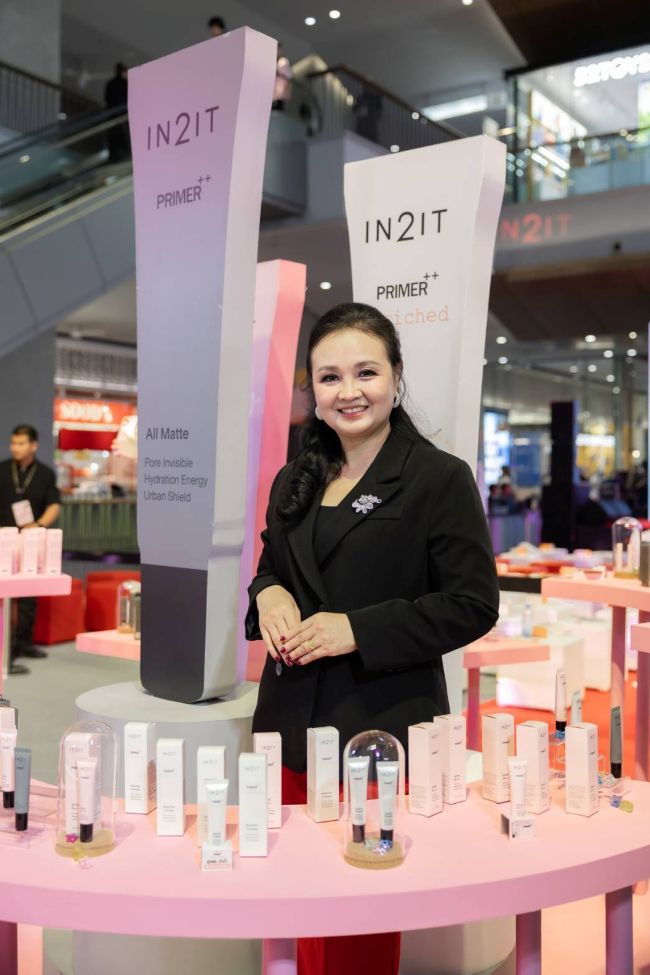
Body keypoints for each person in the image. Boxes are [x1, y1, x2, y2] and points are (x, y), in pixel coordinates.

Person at [245, 303, 499, 975]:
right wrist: (266, 592)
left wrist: (355, 629)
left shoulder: (437, 477)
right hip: (288, 723)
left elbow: (473, 604)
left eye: (366, 372)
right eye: (329, 377)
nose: (348, 391)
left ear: (396, 376)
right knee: (291, 897)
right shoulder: (297, 476)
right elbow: (274, 563)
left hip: (375, 730)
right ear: (312, 388)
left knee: (356, 917)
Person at [0, 425, 61, 673]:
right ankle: (6, 651)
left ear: (33, 445)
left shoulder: (45, 474)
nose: (16, 447)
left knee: (28, 594)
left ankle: (23, 643)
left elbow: (54, 504)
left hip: (31, 539)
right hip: (3, 538)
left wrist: (38, 526)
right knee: (4, 594)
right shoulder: (2, 470)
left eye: (21, 443)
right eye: (13, 443)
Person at [104, 63, 130, 163]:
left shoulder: (110, 84)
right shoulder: (125, 84)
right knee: (123, 138)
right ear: (123, 72)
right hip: (122, 116)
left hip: (112, 116)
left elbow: (107, 99)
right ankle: (124, 157)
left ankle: (113, 158)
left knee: (113, 139)